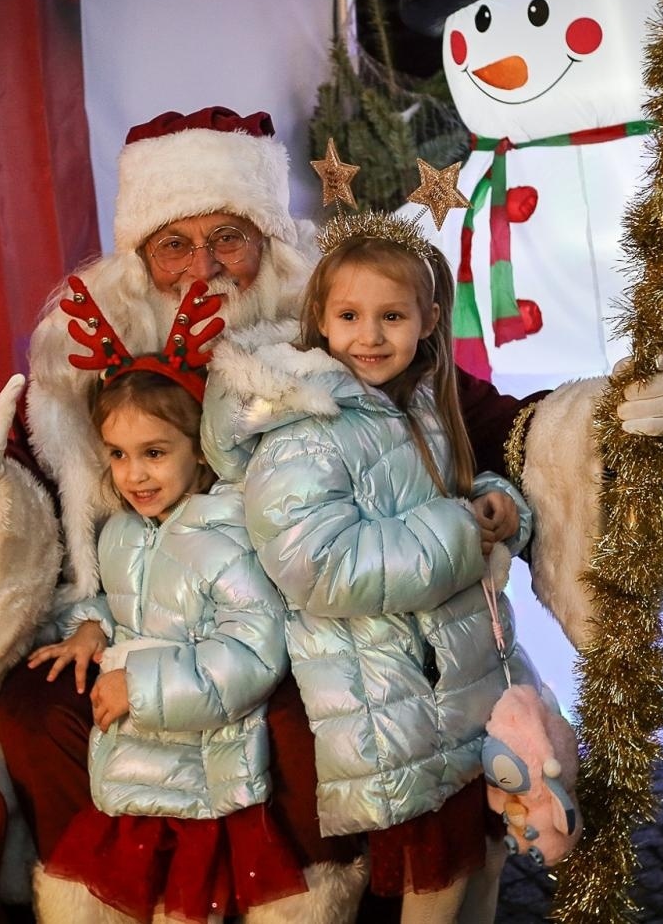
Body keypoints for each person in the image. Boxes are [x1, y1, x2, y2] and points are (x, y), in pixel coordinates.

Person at [0, 106, 663, 907]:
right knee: (38, 716)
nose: (204, 267)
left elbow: (473, 418)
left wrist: (601, 421)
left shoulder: (328, 334)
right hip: (131, 616)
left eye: (228, 236)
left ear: (267, 243)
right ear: (138, 258)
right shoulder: (80, 360)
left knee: (311, 726)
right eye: (175, 242)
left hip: (298, 616)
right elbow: (24, 517)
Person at [203, 212, 548, 922]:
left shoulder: (422, 404)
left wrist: (496, 506)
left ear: (426, 320)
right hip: (389, 696)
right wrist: (460, 531)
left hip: (461, 680)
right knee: (438, 883)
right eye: (350, 315)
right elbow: (319, 565)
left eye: (391, 316)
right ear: (321, 322)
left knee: (485, 858)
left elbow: (450, 495)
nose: (370, 335)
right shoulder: (306, 429)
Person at [25, 278, 334, 922]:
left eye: (155, 453)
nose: (134, 474)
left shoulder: (226, 535)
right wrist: (89, 628)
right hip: (133, 778)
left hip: (207, 779)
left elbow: (251, 649)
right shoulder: (120, 534)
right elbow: (125, 608)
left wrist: (140, 686)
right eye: (118, 455)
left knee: (193, 904)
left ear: (198, 449)